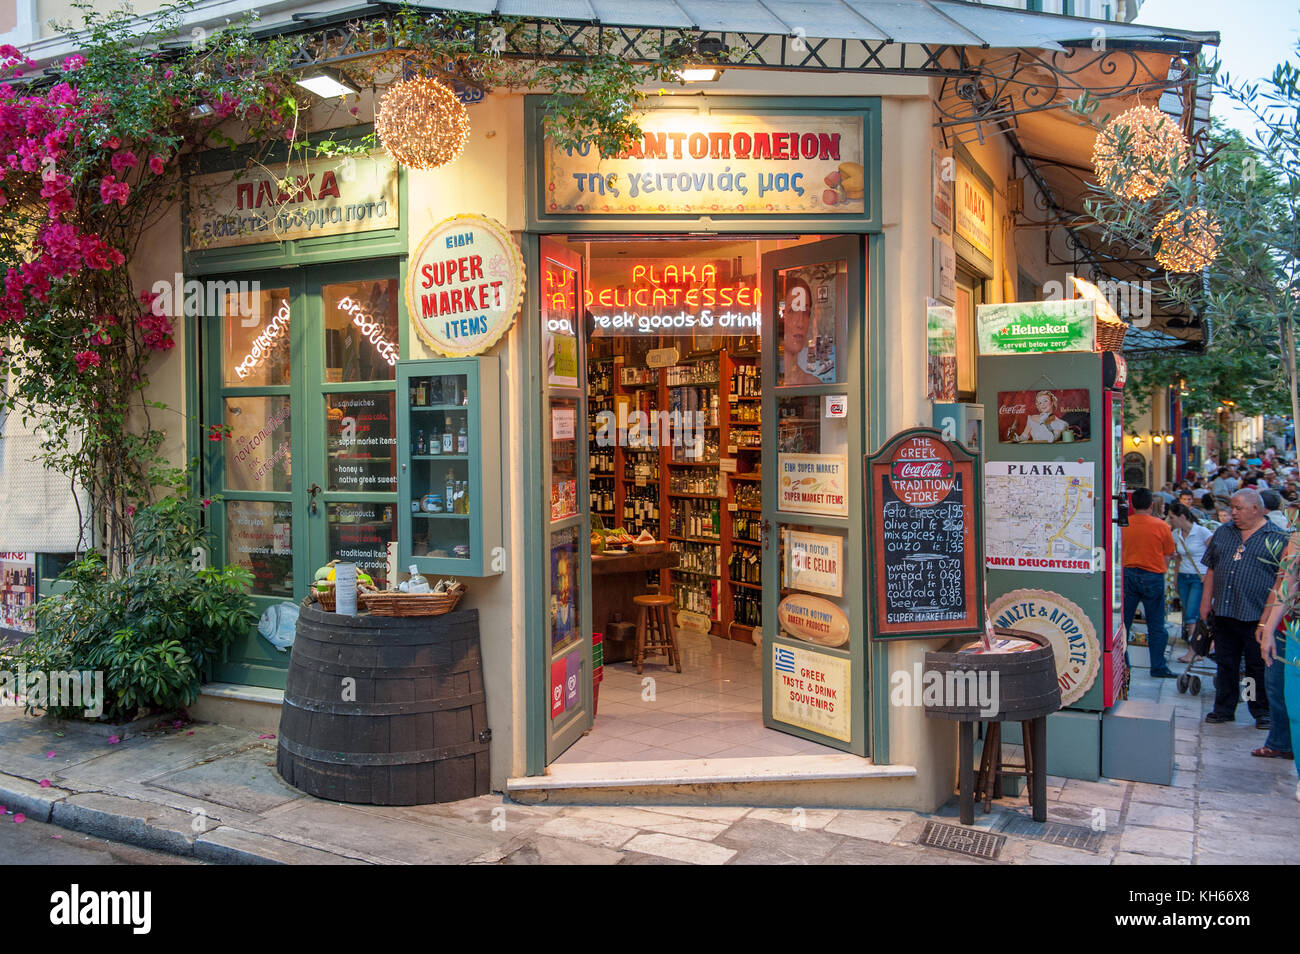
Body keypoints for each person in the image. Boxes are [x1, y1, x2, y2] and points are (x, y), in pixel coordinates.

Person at [1199, 489, 1289, 726]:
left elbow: (1283, 581)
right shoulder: (1223, 533)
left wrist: (1268, 619)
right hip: (1225, 612)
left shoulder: (1278, 538)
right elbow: (1211, 570)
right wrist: (1206, 602)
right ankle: (1224, 708)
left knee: (1255, 668)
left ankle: (1259, 709)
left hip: (1256, 614)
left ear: (1255, 509)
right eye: (1232, 508)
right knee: (1225, 663)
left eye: (1238, 508)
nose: (1233, 513)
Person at [1253, 531, 1299, 762]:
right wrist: (1267, 625)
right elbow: (1283, 586)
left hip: (1288, 630)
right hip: (1289, 630)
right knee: (1281, 692)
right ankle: (1280, 742)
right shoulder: (1295, 540)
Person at [1123, 488, 1178, 678]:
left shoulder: (1124, 524)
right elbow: (1169, 553)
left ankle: (1123, 664)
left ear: (1132, 504)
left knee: (1123, 624)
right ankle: (1158, 666)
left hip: (1128, 574)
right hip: (1153, 575)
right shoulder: (1161, 526)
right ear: (1151, 505)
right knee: (1156, 625)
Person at [1167, 502, 1212, 663]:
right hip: (1184, 577)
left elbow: (1214, 553)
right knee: (1189, 614)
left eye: (1172, 517)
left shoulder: (1202, 532)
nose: (1170, 521)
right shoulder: (1176, 534)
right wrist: (1175, 577)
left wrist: (1209, 575)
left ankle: (1193, 651)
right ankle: (1199, 649)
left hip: (1199, 578)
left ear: (1182, 517)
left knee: (1192, 615)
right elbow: (1178, 557)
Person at [780, 276, 822, 386]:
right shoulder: (766, 381)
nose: (800, 323)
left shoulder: (813, 383)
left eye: (806, 312)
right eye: (792, 311)